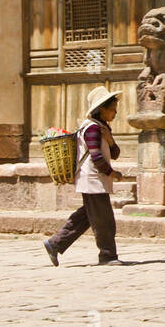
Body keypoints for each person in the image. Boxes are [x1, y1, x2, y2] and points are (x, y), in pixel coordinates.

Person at [43, 86, 123, 266]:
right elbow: (96, 157)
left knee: (86, 216)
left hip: (96, 180)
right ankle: (108, 255)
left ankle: (55, 244)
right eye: (112, 109)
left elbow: (115, 153)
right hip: (93, 180)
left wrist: (110, 141)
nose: (115, 113)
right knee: (104, 220)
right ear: (101, 109)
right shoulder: (92, 129)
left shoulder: (103, 128)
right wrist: (113, 173)